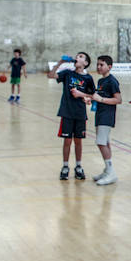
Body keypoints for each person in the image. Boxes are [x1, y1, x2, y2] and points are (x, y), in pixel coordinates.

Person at [48, 52, 95, 180]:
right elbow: (51, 75)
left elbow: (92, 95)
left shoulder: (88, 78)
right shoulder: (68, 73)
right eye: (77, 56)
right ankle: (65, 166)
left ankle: (78, 166)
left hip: (80, 113)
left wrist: (84, 97)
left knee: (78, 141)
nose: (77, 57)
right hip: (67, 112)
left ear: (85, 63)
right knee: (67, 141)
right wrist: (60, 63)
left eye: (80, 56)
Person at [91, 55, 122, 186]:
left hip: (107, 116)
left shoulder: (112, 81)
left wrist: (102, 100)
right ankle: (107, 170)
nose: (98, 67)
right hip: (99, 114)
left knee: (100, 142)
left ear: (109, 67)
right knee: (105, 142)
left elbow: (118, 99)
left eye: (101, 65)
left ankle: (111, 172)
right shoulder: (100, 81)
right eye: (97, 64)